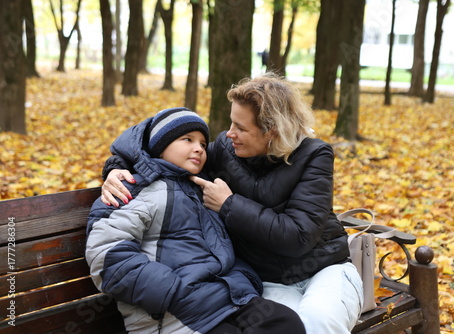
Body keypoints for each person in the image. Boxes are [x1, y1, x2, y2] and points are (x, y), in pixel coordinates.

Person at [100, 73, 364, 333]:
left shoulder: (314, 155)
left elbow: (297, 237)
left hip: (325, 271)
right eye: (231, 123)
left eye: (241, 127)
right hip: (268, 282)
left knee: (317, 324)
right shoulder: (224, 152)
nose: (229, 133)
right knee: (291, 327)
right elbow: (160, 143)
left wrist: (228, 204)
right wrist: (116, 166)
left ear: (272, 130)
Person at [86, 107, 306, 334]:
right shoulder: (131, 189)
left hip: (225, 299)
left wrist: (245, 279)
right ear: (160, 147)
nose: (198, 149)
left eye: (202, 144)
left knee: (284, 323)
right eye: (187, 139)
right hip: (173, 314)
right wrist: (173, 292)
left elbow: (221, 250)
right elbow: (107, 257)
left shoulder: (204, 191)